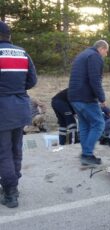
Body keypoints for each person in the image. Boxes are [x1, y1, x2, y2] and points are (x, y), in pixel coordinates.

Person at [0, 21, 37, 208]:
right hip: (21, 107)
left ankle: (10, 192)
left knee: (3, 153)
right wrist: (16, 90)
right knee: (16, 149)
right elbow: (32, 80)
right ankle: (13, 183)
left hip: (3, 110)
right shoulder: (22, 52)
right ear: (9, 36)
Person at [68, 40, 109, 166]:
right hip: (85, 97)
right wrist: (102, 98)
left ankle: (85, 153)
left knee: (85, 125)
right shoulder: (94, 56)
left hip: (73, 96)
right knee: (99, 124)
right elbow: (94, 79)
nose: (106, 55)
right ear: (101, 48)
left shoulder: (83, 54)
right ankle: (87, 154)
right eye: (106, 51)